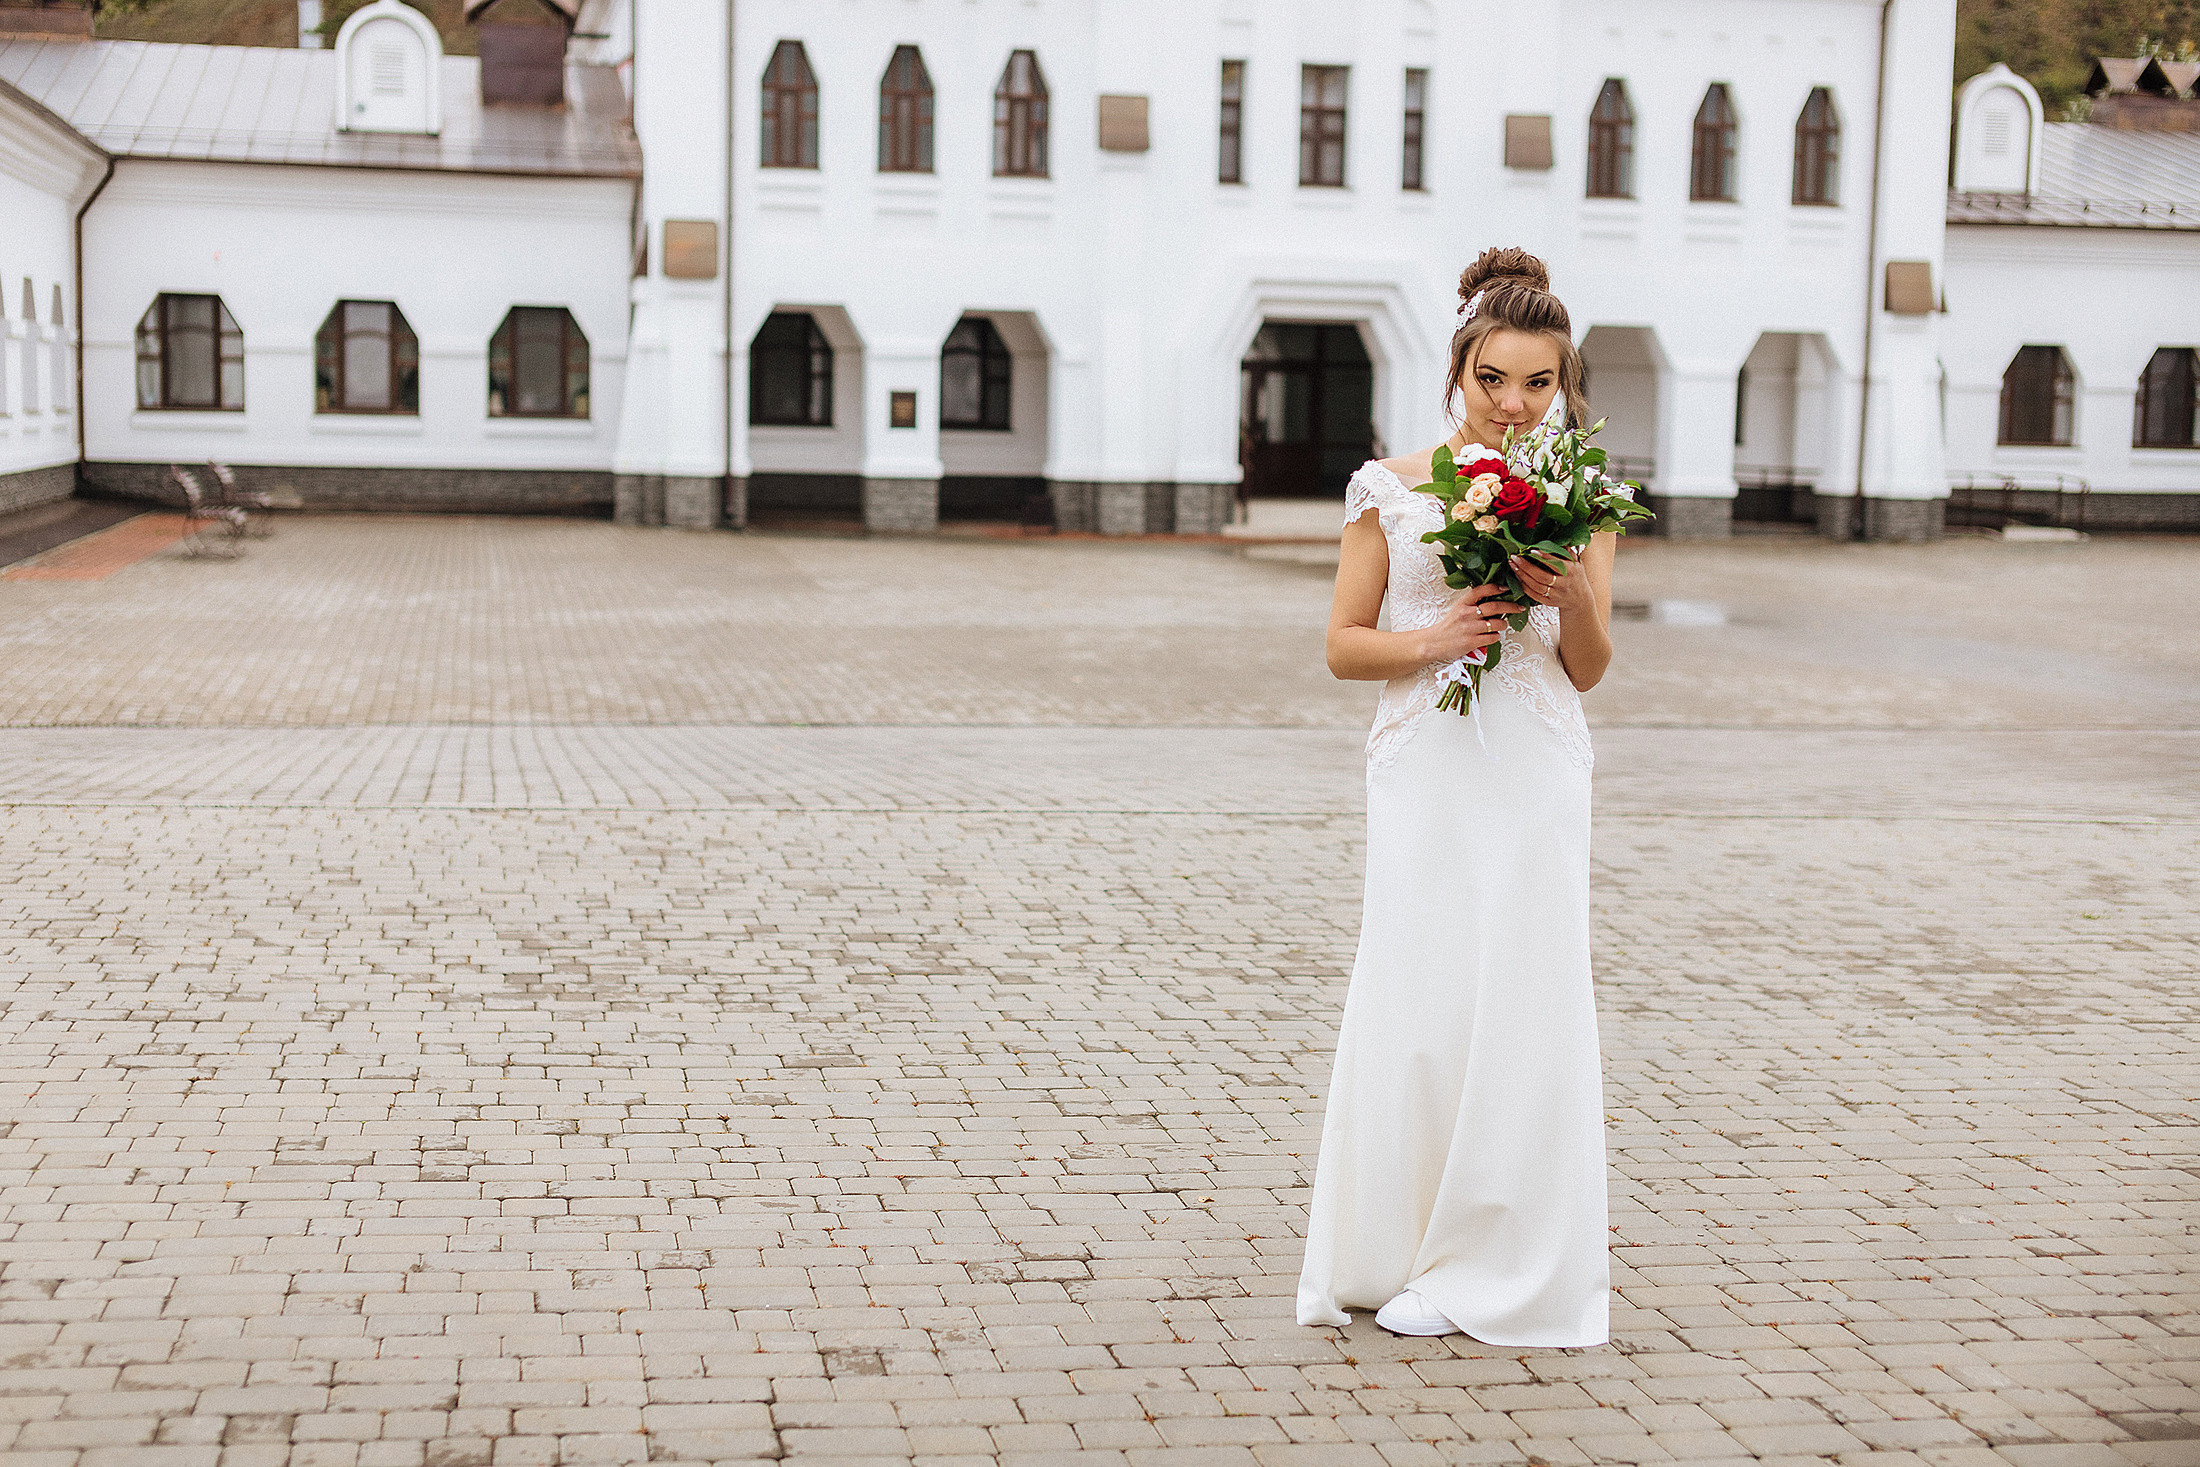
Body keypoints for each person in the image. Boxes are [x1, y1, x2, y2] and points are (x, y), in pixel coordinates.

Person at [1295, 246, 1619, 1346]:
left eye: (1538, 383)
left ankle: (1498, 1263)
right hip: (1425, 766)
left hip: (1533, 770)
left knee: (1521, 1001)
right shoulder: (1387, 490)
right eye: (1493, 379)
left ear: (1563, 386)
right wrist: (1436, 639)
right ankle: (1389, 1248)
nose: (1513, 404)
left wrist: (1571, 595)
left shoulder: (1582, 502)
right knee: (1419, 991)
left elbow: (1588, 668)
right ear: (1457, 370)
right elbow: (1343, 646)